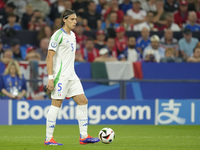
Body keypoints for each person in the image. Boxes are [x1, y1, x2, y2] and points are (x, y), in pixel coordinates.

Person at [44, 9, 100, 145]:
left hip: (72, 75)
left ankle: (84, 136)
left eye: (76, 20)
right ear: (64, 19)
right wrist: (50, 78)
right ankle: (48, 139)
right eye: (72, 19)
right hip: (60, 76)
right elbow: (49, 57)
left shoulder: (73, 35)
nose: (75, 22)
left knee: (83, 101)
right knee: (56, 104)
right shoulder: (57, 35)